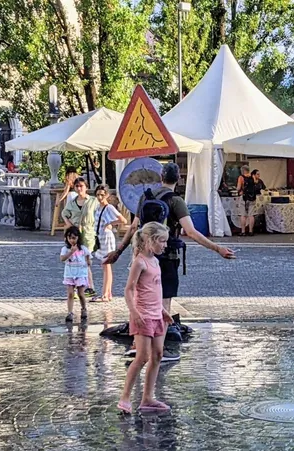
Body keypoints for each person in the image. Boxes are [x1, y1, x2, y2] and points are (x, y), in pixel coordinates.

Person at [105, 162, 235, 350]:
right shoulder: (176, 201)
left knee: (142, 297)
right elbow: (191, 232)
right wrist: (218, 249)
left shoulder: (145, 197)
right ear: (179, 179)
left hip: (143, 254)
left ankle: (138, 344)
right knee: (164, 301)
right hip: (168, 256)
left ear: (161, 177)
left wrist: (118, 252)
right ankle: (160, 347)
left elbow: (133, 228)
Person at [117, 221, 174, 414]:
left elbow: (155, 289)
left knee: (157, 355)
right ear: (151, 240)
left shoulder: (155, 261)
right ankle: (125, 397)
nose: (165, 245)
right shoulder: (139, 262)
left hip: (156, 315)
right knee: (142, 357)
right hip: (143, 316)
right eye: (162, 242)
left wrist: (162, 310)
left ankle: (148, 398)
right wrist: (134, 312)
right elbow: (129, 290)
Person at [61, 177, 100, 296]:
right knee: (76, 259)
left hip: (88, 233)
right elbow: (64, 214)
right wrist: (70, 225)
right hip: (75, 234)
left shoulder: (93, 201)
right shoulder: (72, 203)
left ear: (86, 187)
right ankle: (84, 287)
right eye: (77, 186)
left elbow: (99, 213)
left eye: (81, 186)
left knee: (85, 258)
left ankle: (88, 286)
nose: (79, 188)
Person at [92, 185, 127, 302]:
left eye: (102, 195)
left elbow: (123, 220)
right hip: (100, 237)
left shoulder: (109, 208)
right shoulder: (98, 208)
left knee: (106, 265)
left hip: (107, 238)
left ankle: (105, 294)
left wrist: (110, 223)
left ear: (106, 195)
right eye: (98, 195)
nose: (100, 197)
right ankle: (108, 293)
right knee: (105, 266)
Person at [61, 225, 91, 322]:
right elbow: (62, 258)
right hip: (69, 273)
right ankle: (70, 312)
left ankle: (83, 308)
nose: (72, 240)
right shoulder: (65, 249)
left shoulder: (82, 248)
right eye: (70, 238)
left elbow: (87, 256)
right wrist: (70, 252)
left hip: (80, 273)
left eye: (74, 238)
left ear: (78, 238)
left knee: (81, 293)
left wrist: (88, 262)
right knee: (70, 293)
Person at [238, 166, 257, 236]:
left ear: (243, 171)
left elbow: (238, 188)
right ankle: (251, 231)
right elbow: (255, 184)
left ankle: (243, 231)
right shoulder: (253, 177)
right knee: (251, 215)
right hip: (252, 197)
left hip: (244, 197)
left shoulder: (241, 177)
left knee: (243, 215)